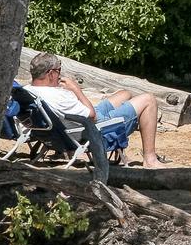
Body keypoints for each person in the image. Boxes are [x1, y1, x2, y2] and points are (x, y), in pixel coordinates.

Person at [27, 51, 162, 168]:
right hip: (92, 128)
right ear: (50, 74)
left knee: (124, 94)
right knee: (148, 100)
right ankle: (150, 159)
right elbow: (93, 116)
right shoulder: (59, 96)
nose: (60, 75)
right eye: (59, 70)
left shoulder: (26, 91)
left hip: (69, 125)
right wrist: (76, 89)